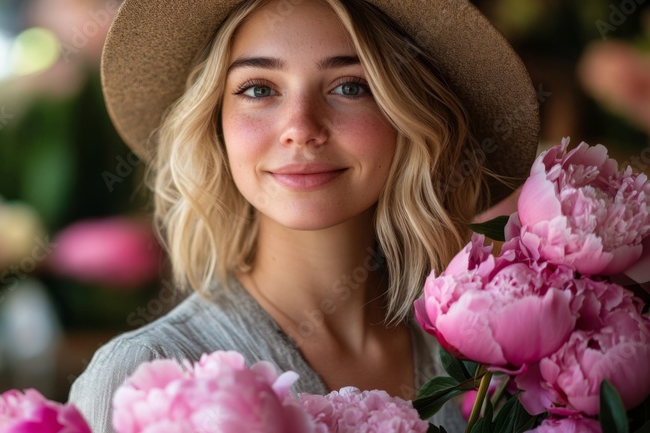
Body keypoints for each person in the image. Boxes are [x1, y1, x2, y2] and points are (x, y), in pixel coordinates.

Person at [69, 0, 539, 431]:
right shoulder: (141, 377)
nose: (300, 128)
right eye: (258, 89)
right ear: (215, 122)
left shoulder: (491, 363)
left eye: (350, 86)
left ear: (408, 115)